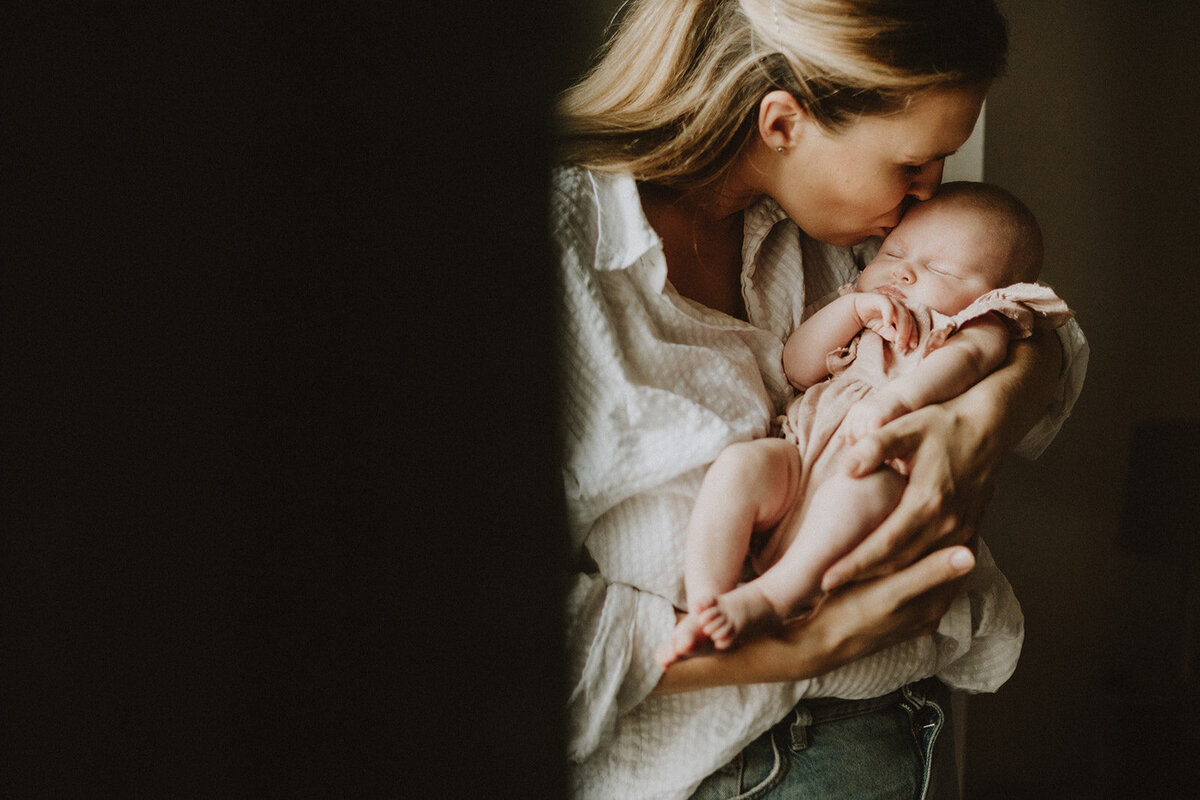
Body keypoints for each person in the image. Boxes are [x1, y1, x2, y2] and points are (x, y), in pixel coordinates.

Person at [554, 1, 1089, 798]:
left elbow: (1031, 323)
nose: (924, 197)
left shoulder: (842, 230)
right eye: (912, 165)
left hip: (905, 728)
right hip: (721, 768)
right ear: (781, 123)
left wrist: (979, 423)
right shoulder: (563, 253)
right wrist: (810, 642)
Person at [659, 182, 1075, 668]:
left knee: (857, 492)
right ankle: (708, 598)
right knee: (741, 466)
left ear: (993, 295)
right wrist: (851, 309)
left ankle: (773, 597)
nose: (904, 270)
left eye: (938, 269)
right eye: (895, 251)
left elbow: (967, 360)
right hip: (799, 451)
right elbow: (796, 367)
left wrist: (901, 400)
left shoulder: (977, 324)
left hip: (878, 459)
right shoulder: (861, 308)